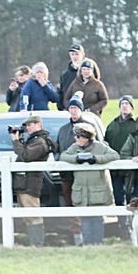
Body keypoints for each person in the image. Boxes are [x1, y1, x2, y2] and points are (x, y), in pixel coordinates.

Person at [59, 122, 119, 245]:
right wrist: (76, 159)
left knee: (97, 218)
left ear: (86, 137)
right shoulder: (74, 148)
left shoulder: (100, 147)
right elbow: (63, 156)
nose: (75, 139)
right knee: (85, 218)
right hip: (81, 190)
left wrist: (96, 159)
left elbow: (115, 155)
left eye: (78, 136)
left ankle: (97, 243)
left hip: (97, 190)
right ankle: (87, 244)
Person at [10, 115, 57, 247]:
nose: (28, 128)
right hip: (23, 183)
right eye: (27, 125)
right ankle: (33, 244)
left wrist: (16, 141)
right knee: (27, 216)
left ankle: (37, 244)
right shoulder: (33, 140)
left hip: (30, 183)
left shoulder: (40, 141)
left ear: (39, 125)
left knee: (33, 215)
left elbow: (26, 156)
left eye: (31, 125)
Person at [55, 92, 90, 245]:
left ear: (81, 110)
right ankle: (76, 236)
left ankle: (88, 236)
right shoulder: (63, 130)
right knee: (70, 204)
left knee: (84, 203)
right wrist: (59, 159)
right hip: (66, 175)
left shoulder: (89, 127)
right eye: (71, 108)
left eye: (76, 108)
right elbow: (57, 150)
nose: (73, 111)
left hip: (84, 174)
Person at [105, 95, 138, 237]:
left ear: (132, 107)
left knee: (133, 198)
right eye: (123, 103)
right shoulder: (112, 125)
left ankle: (135, 227)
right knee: (119, 198)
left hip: (131, 168)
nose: (125, 106)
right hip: (115, 169)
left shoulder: (136, 124)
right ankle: (123, 228)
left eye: (127, 104)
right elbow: (106, 143)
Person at [57, 44, 100, 111]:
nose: (74, 57)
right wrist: (61, 107)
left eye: (77, 54)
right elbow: (61, 92)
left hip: (88, 110)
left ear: (83, 54)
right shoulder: (65, 74)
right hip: (70, 110)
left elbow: (97, 88)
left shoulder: (91, 68)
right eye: (72, 54)